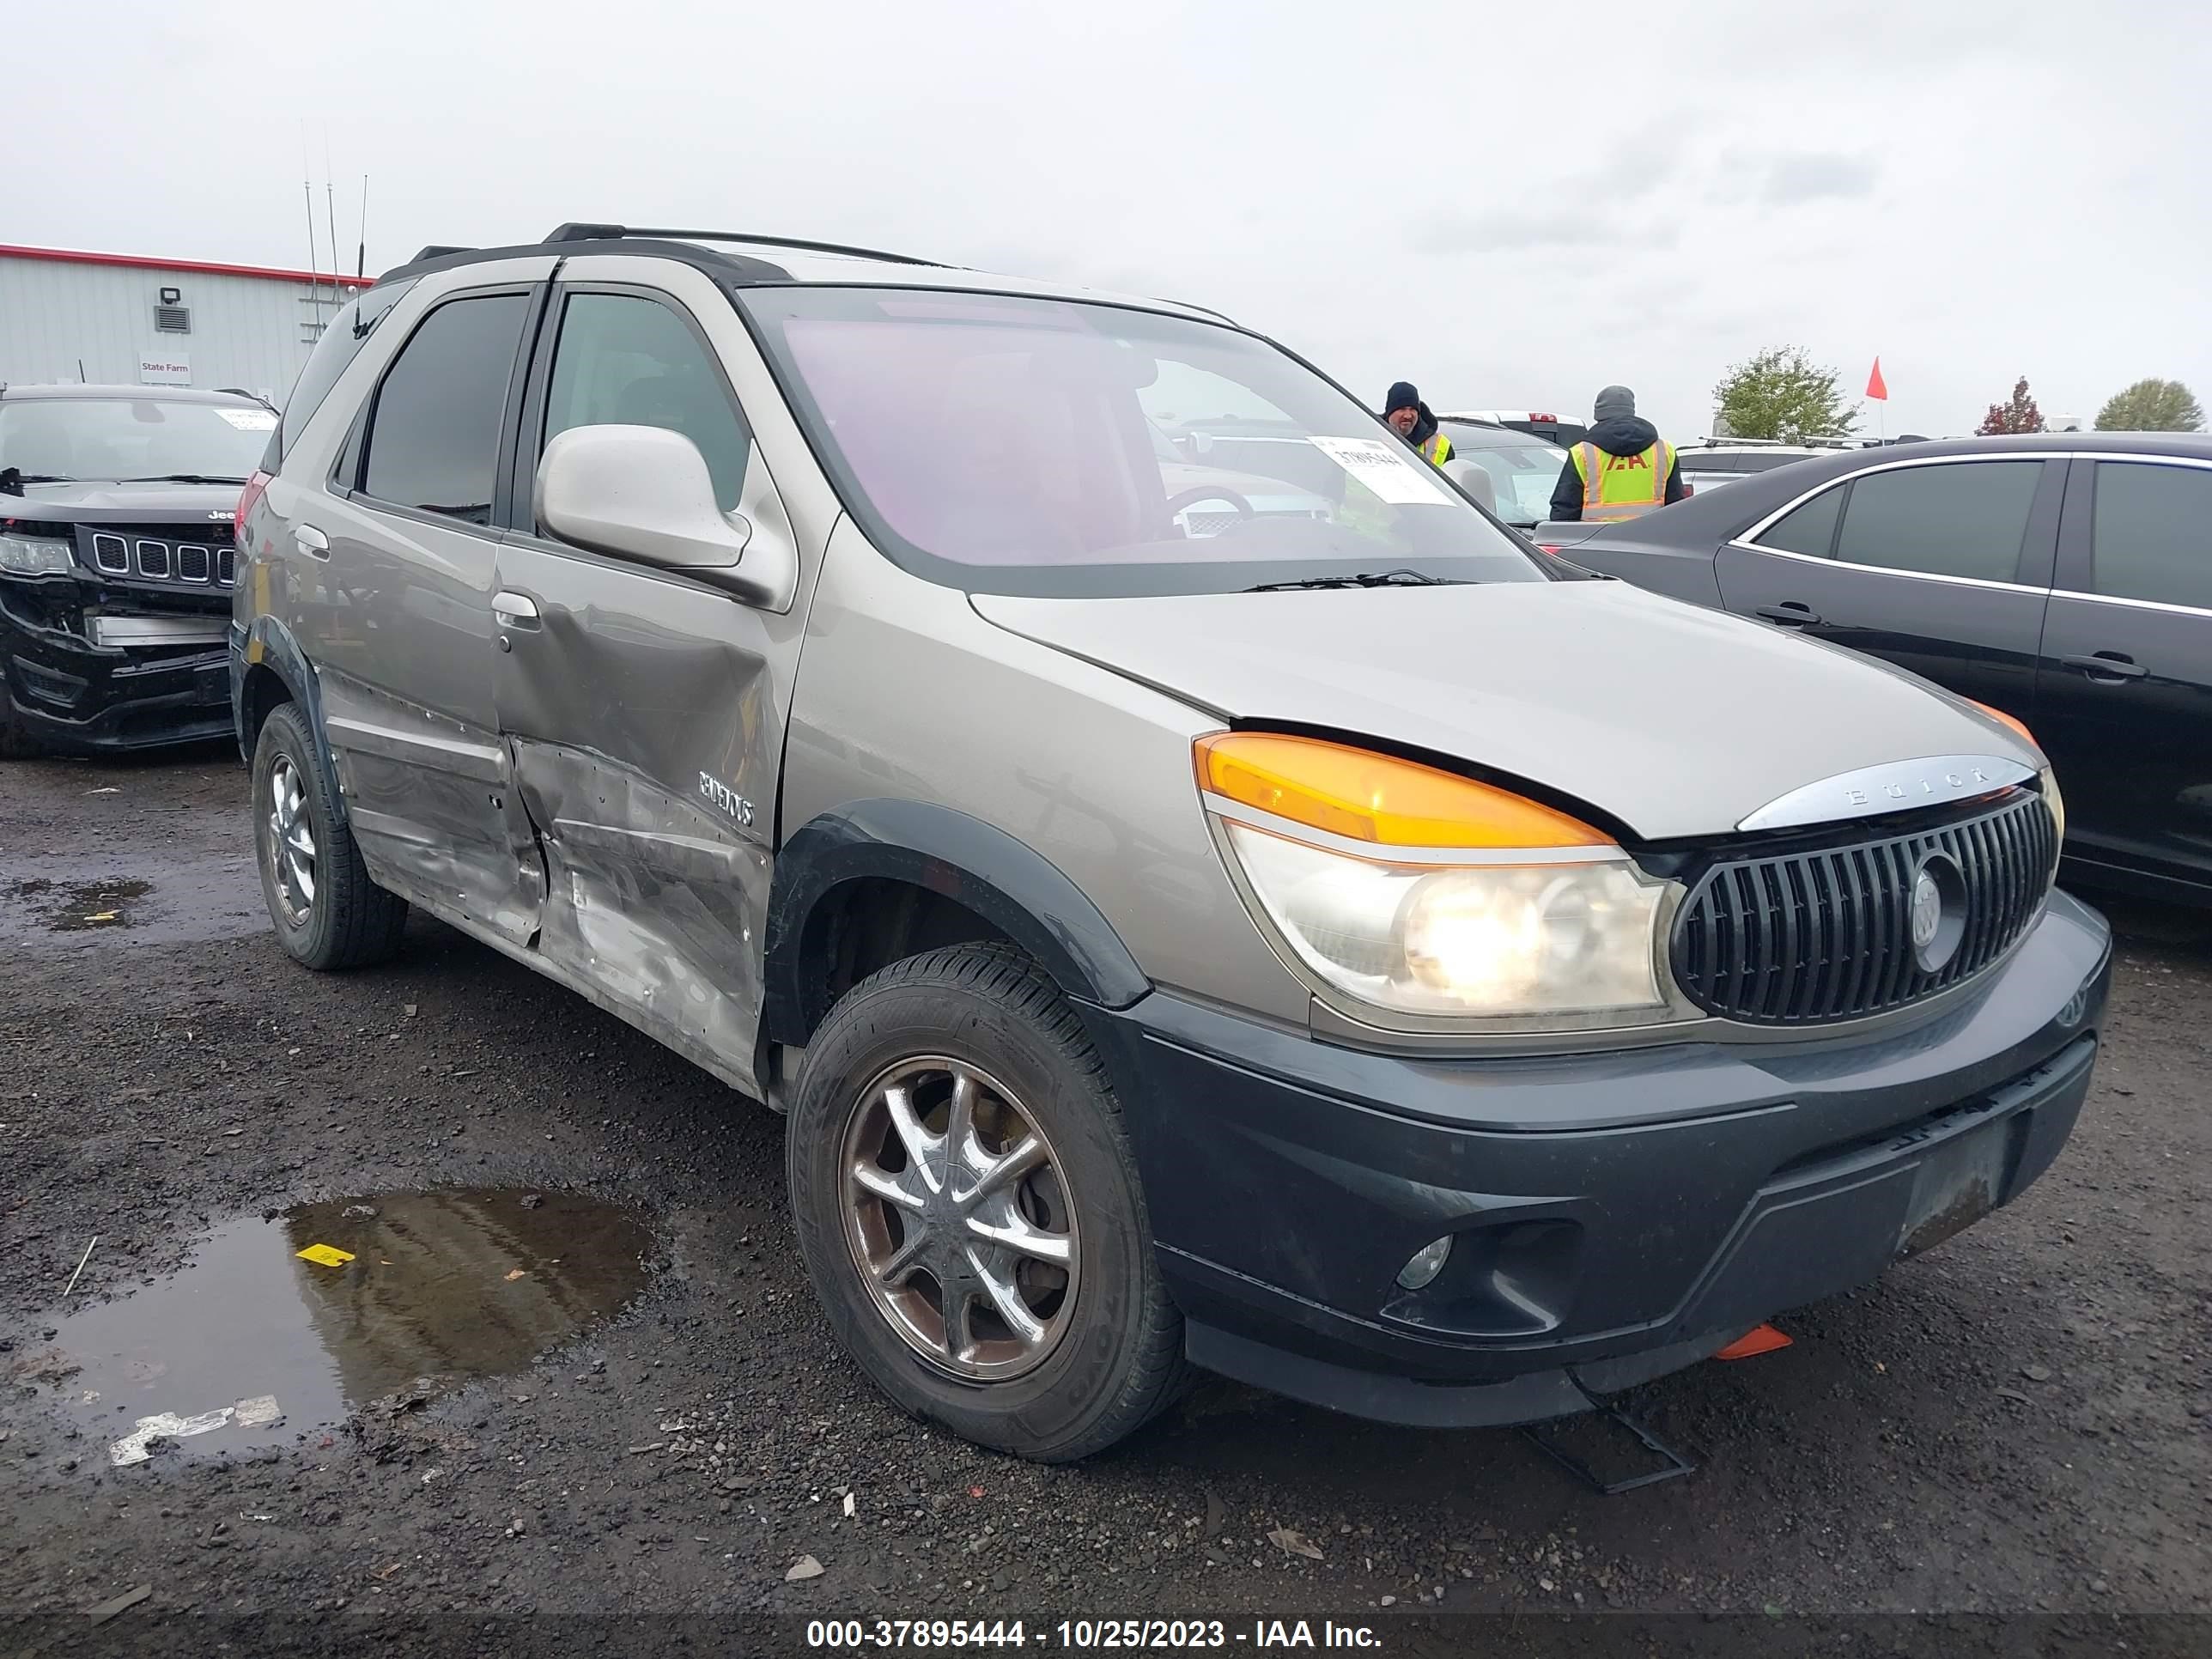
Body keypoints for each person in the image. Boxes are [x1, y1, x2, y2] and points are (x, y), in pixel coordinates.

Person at [1548, 385, 1684, 521]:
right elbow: (1677, 506)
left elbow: (1565, 509)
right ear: (1631, 411)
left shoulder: (1582, 453)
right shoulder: (1664, 450)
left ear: (1599, 415)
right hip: (1650, 537)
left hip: (1596, 538)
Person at [1382, 382, 1452, 466]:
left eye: (1412, 409)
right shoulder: (1372, 438)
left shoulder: (1441, 444)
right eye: (1402, 409)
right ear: (1390, 412)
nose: (1408, 415)